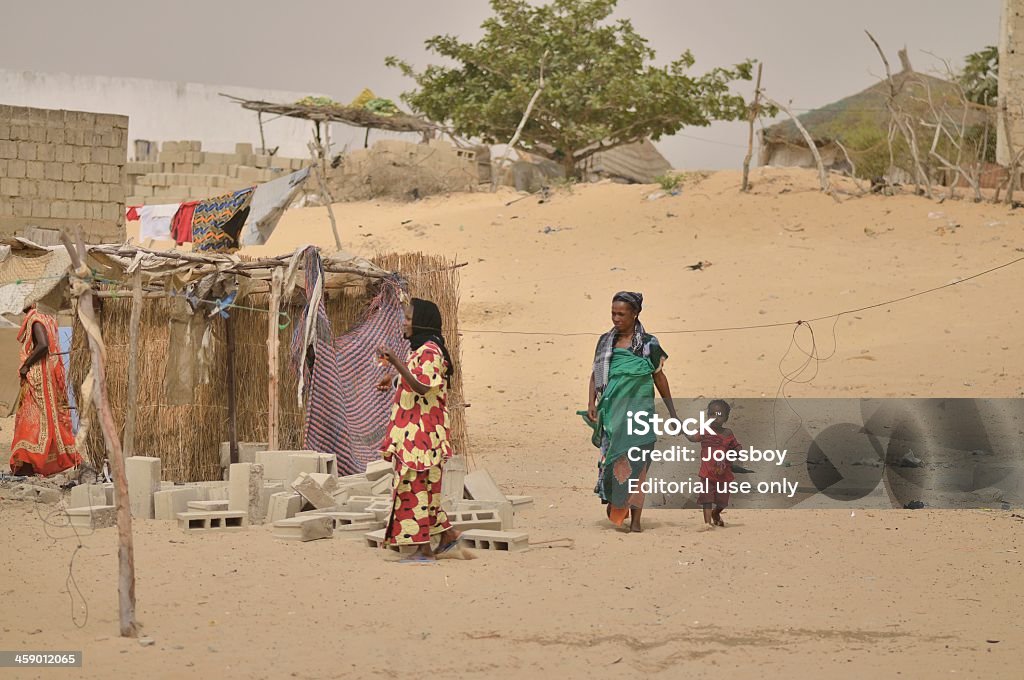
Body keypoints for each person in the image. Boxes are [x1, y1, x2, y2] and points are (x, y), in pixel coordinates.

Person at [581, 291, 677, 533]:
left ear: (635, 314)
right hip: (613, 415)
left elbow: (659, 376)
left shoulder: (648, 344)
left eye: (621, 314)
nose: (616, 318)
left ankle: (636, 521)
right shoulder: (605, 342)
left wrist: (673, 412)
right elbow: (596, 374)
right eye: (613, 313)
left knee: (639, 467)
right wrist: (592, 402)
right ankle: (617, 505)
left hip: (640, 415)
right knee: (615, 465)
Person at [376, 298, 461, 562]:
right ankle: (447, 537)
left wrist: (395, 363)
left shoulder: (430, 352)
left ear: (422, 321)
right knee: (423, 489)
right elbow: (419, 381)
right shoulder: (422, 350)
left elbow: (423, 387)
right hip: (418, 436)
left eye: (409, 318)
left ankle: (423, 549)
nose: (405, 322)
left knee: (412, 488)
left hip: (421, 437)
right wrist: (395, 377)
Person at [9, 305, 81, 477]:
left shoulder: (35, 319)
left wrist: (26, 365)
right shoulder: (48, 317)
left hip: (39, 380)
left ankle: (27, 464)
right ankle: (38, 464)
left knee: (30, 420)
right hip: (50, 377)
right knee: (49, 420)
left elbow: (43, 345)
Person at [685, 399, 738, 528]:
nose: (715, 418)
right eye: (711, 414)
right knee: (706, 499)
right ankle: (707, 523)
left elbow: (736, 446)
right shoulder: (704, 430)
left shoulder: (728, 433)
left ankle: (716, 513)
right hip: (707, 473)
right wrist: (683, 430)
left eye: (720, 415)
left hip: (723, 474)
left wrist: (737, 452)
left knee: (723, 501)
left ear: (726, 418)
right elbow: (693, 438)